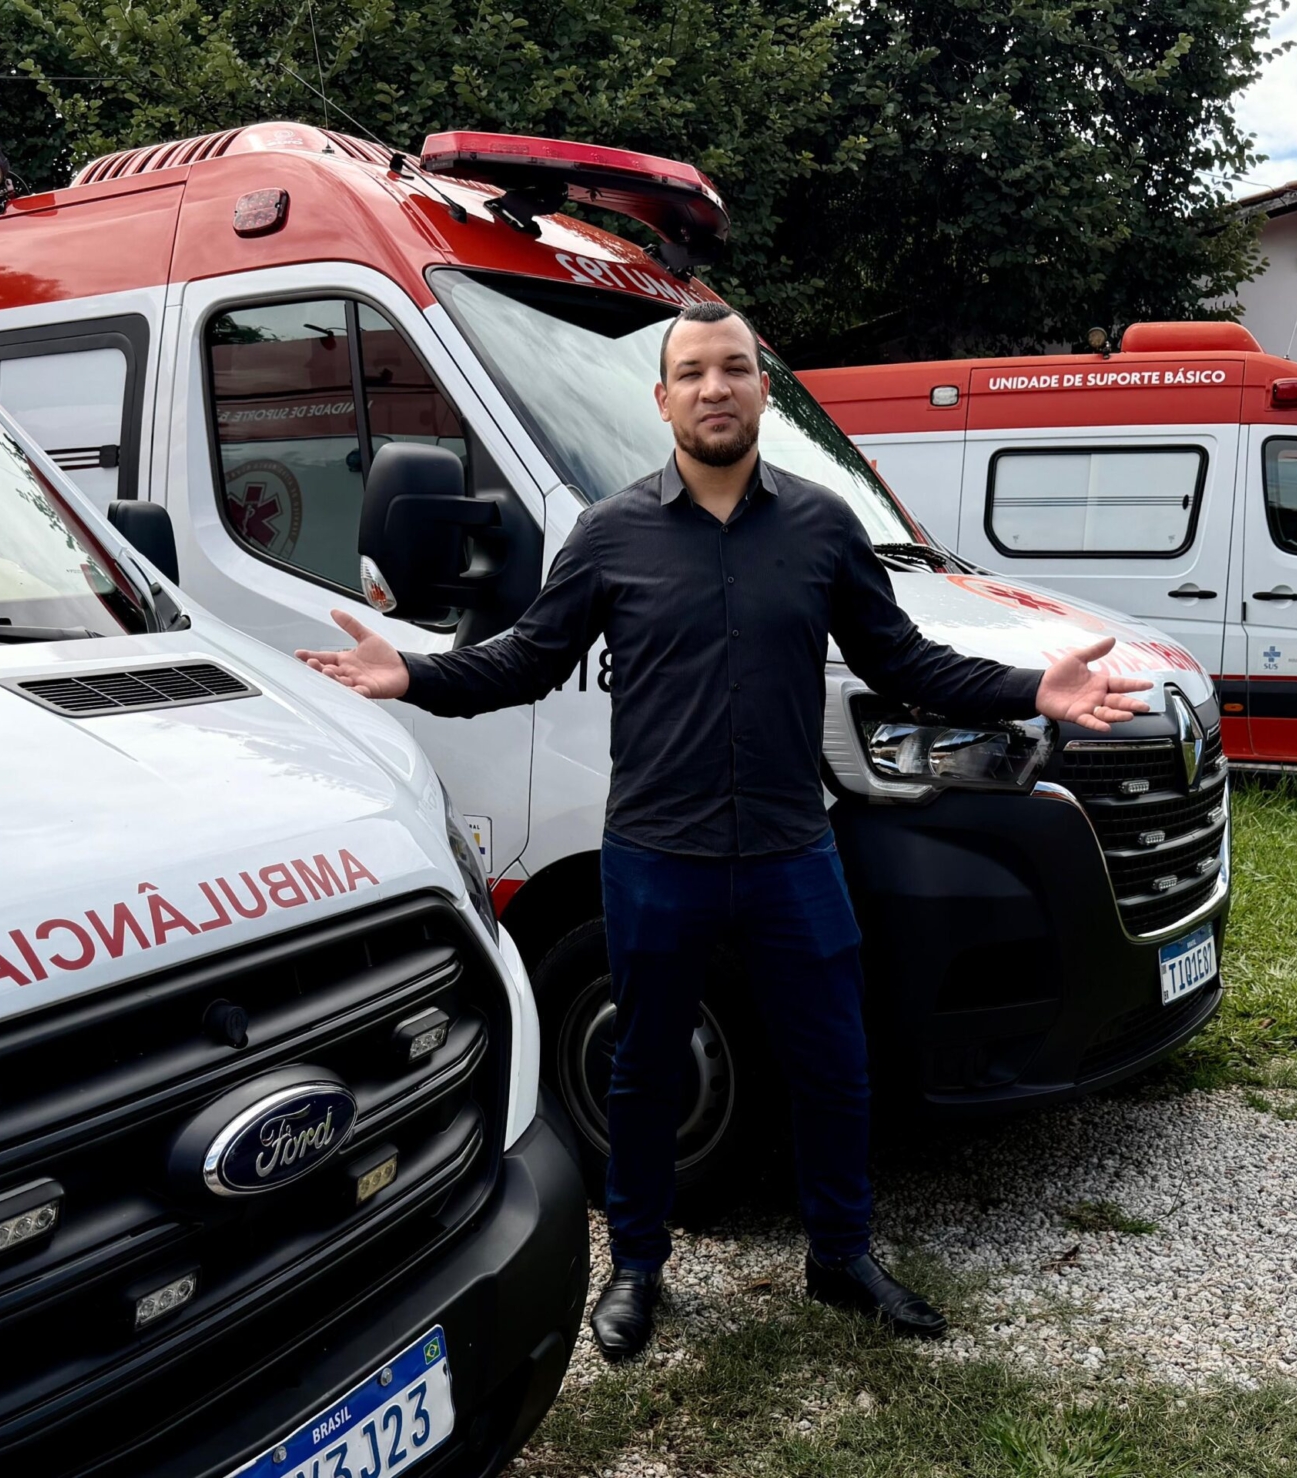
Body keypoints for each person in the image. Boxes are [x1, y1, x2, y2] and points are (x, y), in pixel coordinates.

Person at [297, 302, 1152, 1361]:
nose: (713, 387)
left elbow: (904, 662)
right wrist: (413, 674)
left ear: (760, 390)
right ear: (662, 400)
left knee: (835, 1063)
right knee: (645, 1067)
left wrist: (1033, 686)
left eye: (734, 368)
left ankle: (839, 1255)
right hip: (656, 855)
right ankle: (639, 1267)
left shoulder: (822, 525)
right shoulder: (609, 532)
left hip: (794, 850)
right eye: (691, 371)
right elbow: (524, 659)